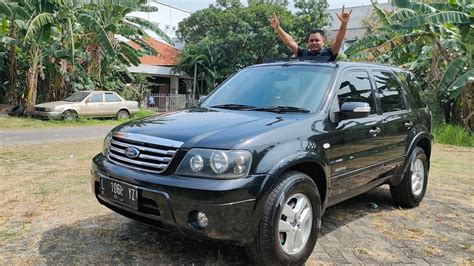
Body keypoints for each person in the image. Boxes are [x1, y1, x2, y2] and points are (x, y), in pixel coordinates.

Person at [270, 6, 352, 62]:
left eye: (317, 40)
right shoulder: (303, 54)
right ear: (308, 42)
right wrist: (277, 28)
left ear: (324, 41)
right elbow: (290, 42)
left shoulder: (330, 53)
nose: (314, 43)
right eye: (311, 40)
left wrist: (344, 24)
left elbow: (338, 40)